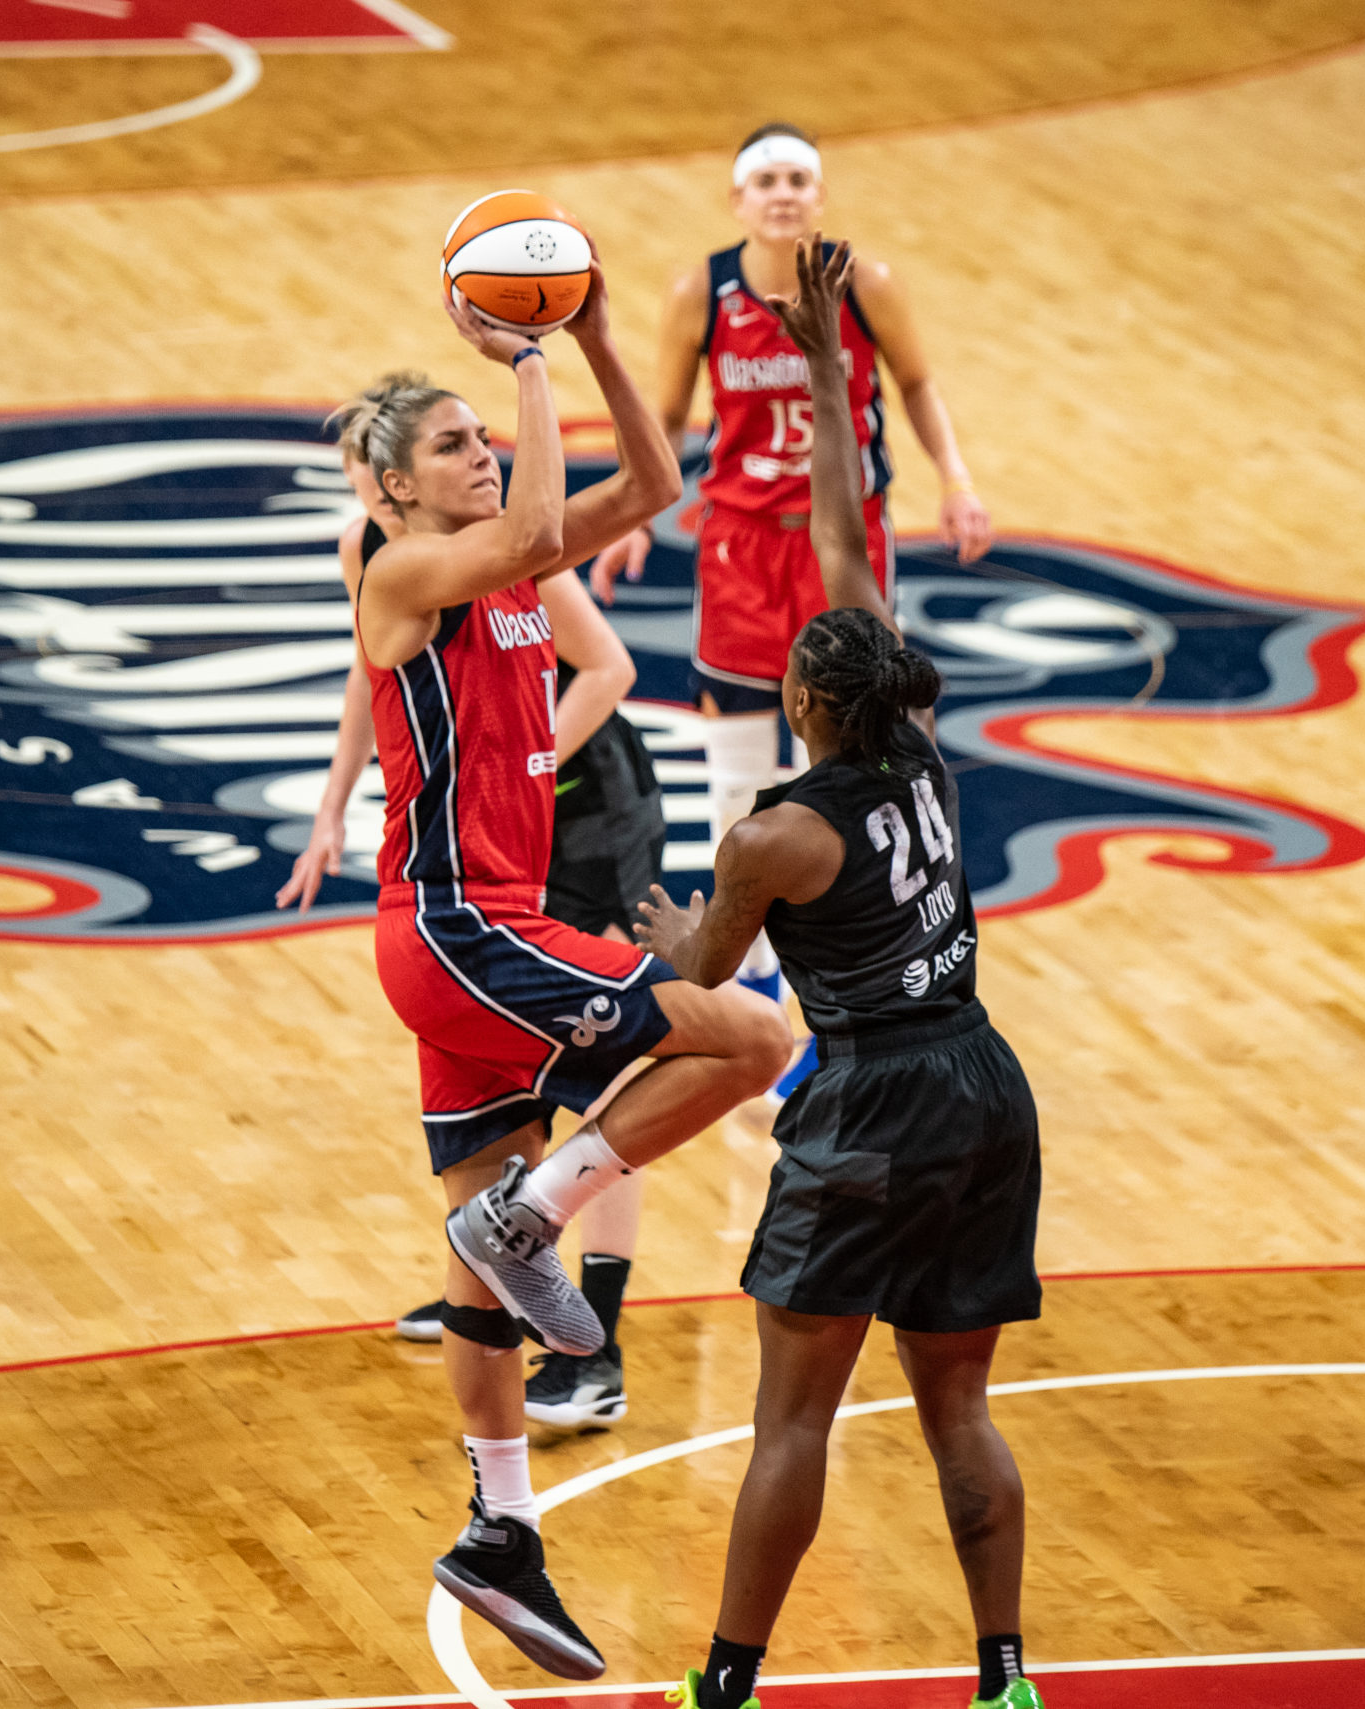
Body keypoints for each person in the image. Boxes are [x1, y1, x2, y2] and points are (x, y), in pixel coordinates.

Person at [335, 270, 792, 1678]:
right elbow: (540, 519)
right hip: (464, 927)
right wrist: (527, 367)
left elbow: (658, 478)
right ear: (393, 494)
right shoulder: (404, 571)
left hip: (471, 939)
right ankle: (537, 1218)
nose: (482, 456)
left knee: (475, 1260)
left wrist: (591, 337)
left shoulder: (512, 563)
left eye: (485, 436)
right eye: (453, 446)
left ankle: (502, 1531)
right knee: (755, 1040)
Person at [633, 238, 1044, 1709]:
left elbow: (708, 982)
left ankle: (728, 1685)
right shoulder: (914, 742)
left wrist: (650, 928)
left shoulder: (776, 835)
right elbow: (848, 555)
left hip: (872, 1102)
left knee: (793, 1420)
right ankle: (1004, 1678)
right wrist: (824, 367)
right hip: (987, 1083)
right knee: (959, 1412)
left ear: (803, 701)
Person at [589, 121, 994, 1090]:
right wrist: (634, 508)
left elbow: (917, 381)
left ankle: (822, 958)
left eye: (797, 178)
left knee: (862, 750)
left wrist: (955, 475)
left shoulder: (868, 283)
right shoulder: (703, 290)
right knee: (737, 778)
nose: (782, 192)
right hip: (739, 543)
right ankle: (762, 991)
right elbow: (670, 412)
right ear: (738, 200)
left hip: (837, 533)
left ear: (818, 195)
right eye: (764, 178)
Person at [279, 447, 660, 1434]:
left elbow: (607, 666)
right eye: (361, 480)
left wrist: (523, 761)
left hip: (589, 812)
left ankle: (599, 1353)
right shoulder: (371, 549)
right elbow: (379, 672)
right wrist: (334, 804)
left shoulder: (512, 545)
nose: (370, 493)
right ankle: (487, 1274)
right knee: (500, 1070)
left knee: (612, 1074)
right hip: (494, 833)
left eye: (379, 472)